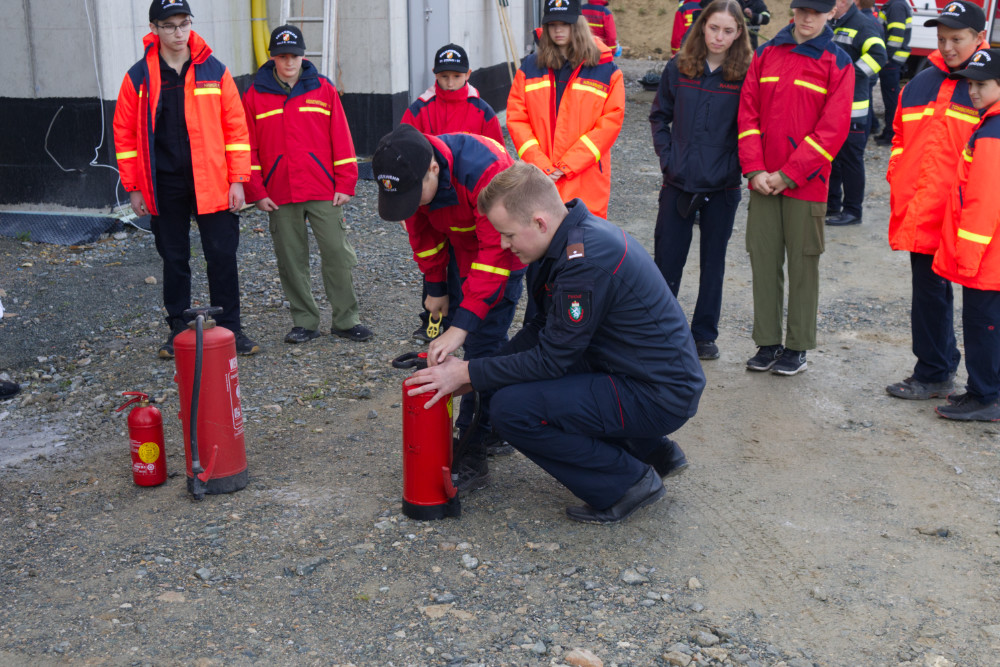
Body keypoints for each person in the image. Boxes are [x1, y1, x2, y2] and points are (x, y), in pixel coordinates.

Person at [404, 162, 705, 524]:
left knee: (513, 410)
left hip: (659, 394)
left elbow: (551, 359)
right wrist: (473, 376)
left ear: (539, 222)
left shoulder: (583, 263)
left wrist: (470, 371)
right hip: (633, 370)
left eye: (508, 235)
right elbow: (543, 328)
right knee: (505, 384)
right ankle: (653, 451)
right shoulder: (568, 240)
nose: (502, 244)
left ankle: (627, 483)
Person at [372, 124, 525, 493]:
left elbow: (494, 257)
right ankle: (495, 424)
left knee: (481, 344)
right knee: (476, 341)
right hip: (462, 251)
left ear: (434, 169)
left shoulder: (485, 173)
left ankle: (476, 443)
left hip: (502, 255)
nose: (411, 204)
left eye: (413, 195)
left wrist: (462, 325)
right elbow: (422, 235)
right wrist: (436, 286)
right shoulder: (413, 180)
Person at [113, 0, 259, 358]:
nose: (179, 32)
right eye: (170, 25)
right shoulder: (138, 77)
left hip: (213, 181)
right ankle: (179, 330)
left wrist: (238, 179)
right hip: (165, 185)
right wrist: (134, 187)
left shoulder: (215, 70)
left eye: (184, 23)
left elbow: (236, 129)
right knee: (174, 259)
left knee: (222, 255)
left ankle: (230, 330)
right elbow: (125, 136)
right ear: (154, 29)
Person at [737, 0, 854, 375]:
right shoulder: (766, 54)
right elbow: (748, 112)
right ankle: (767, 342)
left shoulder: (838, 63)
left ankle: (797, 347)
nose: (807, 18)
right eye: (802, 9)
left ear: (830, 14)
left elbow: (832, 131)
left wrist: (787, 173)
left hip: (806, 185)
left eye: (816, 13)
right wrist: (755, 169)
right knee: (764, 261)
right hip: (762, 181)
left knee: (804, 266)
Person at [241, 25, 372, 345]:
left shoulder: (323, 89)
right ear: (273, 57)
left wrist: (346, 182)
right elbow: (248, 148)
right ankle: (304, 322)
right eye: (283, 56)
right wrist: (256, 191)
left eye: (295, 56)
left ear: (303, 56)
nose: (289, 62)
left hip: (323, 189)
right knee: (290, 260)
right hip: (279, 192)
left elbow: (341, 139)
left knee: (338, 255)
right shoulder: (254, 95)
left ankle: (345, 319)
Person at [885, 0, 988, 400]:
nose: (947, 47)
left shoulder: (987, 85)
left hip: (971, 217)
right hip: (926, 213)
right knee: (928, 296)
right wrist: (897, 174)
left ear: (980, 39)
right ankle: (933, 371)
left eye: (957, 39)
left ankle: (986, 387)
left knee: (983, 305)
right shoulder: (920, 84)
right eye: (942, 39)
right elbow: (898, 139)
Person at [649, 0, 753, 361]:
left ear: (739, 32)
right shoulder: (679, 67)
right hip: (678, 181)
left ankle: (704, 335)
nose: (719, 37)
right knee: (667, 260)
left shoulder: (745, 75)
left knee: (713, 263)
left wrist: (735, 164)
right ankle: (661, 329)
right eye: (713, 28)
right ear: (702, 27)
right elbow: (659, 116)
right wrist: (668, 158)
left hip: (722, 187)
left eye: (727, 30)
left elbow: (753, 128)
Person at [401, 43, 504, 344]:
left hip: (467, 200)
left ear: (468, 75)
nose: (449, 82)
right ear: (435, 75)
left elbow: (496, 154)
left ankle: (463, 317)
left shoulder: (481, 111)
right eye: (444, 76)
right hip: (431, 198)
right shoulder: (419, 109)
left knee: (466, 263)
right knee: (431, 256)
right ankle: (432, 318)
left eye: (456, 76)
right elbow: (405, 151)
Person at [506, 0, 625, 219]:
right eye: (552, 24)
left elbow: (609, 124)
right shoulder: (530, 68)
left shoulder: (606, 70)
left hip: (584, 179)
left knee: (582, 246)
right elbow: (517, 119)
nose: (558, 30)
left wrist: (566, 165)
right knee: (541, 243)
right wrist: (541, 164)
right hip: (541, 177)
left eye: (565, 23)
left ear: (577, 24)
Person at [931, 48, 1000, 421]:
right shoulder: (990, 124)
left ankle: (985, 397)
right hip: (991, 255)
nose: (973, 91)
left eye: (982, 85)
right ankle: (983, 390)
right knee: (989, 325)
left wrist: (968, 258)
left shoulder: (992, 132)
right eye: (971, 84)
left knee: (983, 326)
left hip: (987, 260)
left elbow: (983, 201)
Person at [825, 0, 887, 227]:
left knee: (850, 161)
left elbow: (879, 55)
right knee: (831, 159)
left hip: (853, 110)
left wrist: (849, 74)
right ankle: (831, 204)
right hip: (832, 108)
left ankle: (853, 210)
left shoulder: (862, 24)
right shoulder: (832, 22)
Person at [875, 0, 913, 145]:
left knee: (891, 101)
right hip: (892, 60)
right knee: (890, 99)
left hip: (891, 61)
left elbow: (896, 36)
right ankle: (889, 131)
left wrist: (886, 56)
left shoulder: (896, 6)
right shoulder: (896, 5)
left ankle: (891, 134)